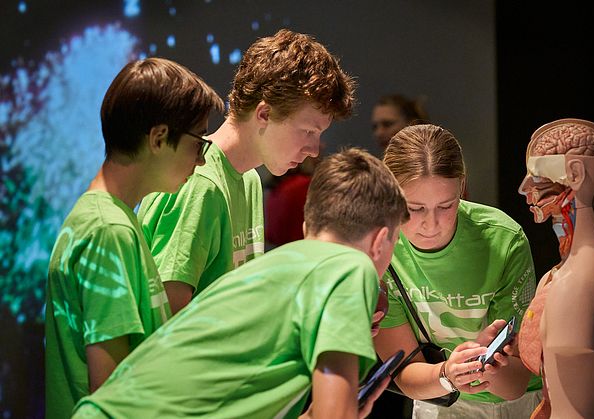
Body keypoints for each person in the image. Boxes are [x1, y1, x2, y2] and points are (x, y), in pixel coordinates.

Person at [71, 148, 410, 418]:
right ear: (380, 241)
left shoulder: (267, 269)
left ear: (308, 226)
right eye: (395, 243)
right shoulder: (351, 265)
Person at [44, 57, 224, 418]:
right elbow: (111, 398)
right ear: (159, 138)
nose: (201, 161)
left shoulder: (112, 219)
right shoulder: (108, 231)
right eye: (197, 143)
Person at [137, 29, 356, 314]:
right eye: (308, 131)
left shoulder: (249, 179)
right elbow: (165, 324)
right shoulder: (199, 184)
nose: (314, 150)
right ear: (264, 114)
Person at [374, 124, 543, 418]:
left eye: (446, 206)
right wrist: (448, 373)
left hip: (517, 404)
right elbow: (404, 372)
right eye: (414, 208)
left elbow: (519, 379)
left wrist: (481, 366)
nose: (431, 224)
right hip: (438, 397)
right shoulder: (380, 246)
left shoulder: (502, 239)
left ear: (462, 186)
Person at [516, 118, 594, 418]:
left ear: (575, 174)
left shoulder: (582, 279)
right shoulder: (562, 274)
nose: (524, 188)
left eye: (537, 175)